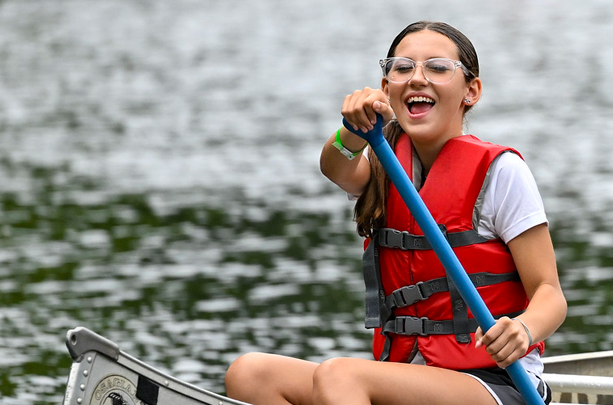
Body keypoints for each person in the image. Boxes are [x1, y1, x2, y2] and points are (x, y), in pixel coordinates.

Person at [224, 21, 567, 405]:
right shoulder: (383, 162)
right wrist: (354, 129)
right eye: (403, 68)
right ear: (387, 89)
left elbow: (550, 294)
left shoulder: (501, 172)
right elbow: (335, 165)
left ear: (471, 91)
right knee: (251, 374)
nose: (417, 78)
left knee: (341, 375)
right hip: (409, 373)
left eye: (437, 67)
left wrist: (523, 328)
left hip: (498, 382)